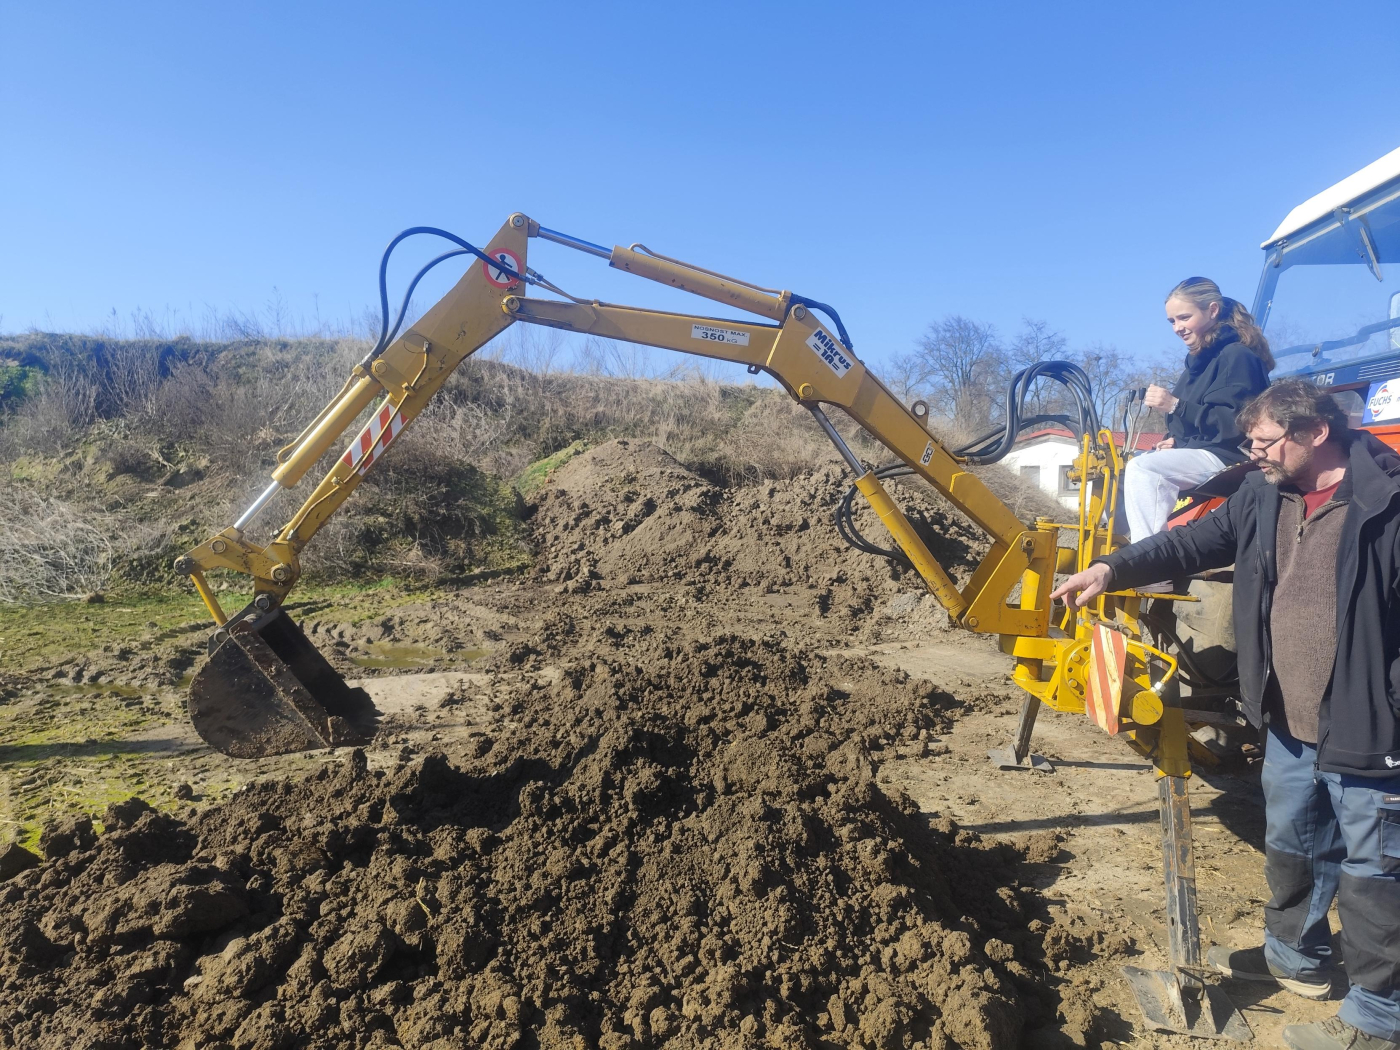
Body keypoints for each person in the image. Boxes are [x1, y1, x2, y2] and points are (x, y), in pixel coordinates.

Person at [1051, 378, 1400, 1050]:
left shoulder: (1386, 501)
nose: (1253, 453)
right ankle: (1296, 958)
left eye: (1265, 442)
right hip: (1287, 720)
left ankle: (1379, 1019)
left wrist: (1389, 701)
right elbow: (1191, 544)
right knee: (1293, 845)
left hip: (1368, 726)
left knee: (1377, 876)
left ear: (1316, 432)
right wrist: (1110, 569)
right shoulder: (1264, 493)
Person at [1124, 277, 1272, 549]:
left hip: (1231, 456)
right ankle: (1133, 549)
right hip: (1206, 452)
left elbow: (1233, 426)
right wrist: (1174, 441)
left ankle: (1147, 559)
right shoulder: (1198, 363)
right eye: (1172, 321)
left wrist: (1175, 405)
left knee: (1144, 469)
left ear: (1212, 310)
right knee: (1130, 466)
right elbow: (1196, 424)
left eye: (1184, 317)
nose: (1177, 328)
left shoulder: (1237, 356)